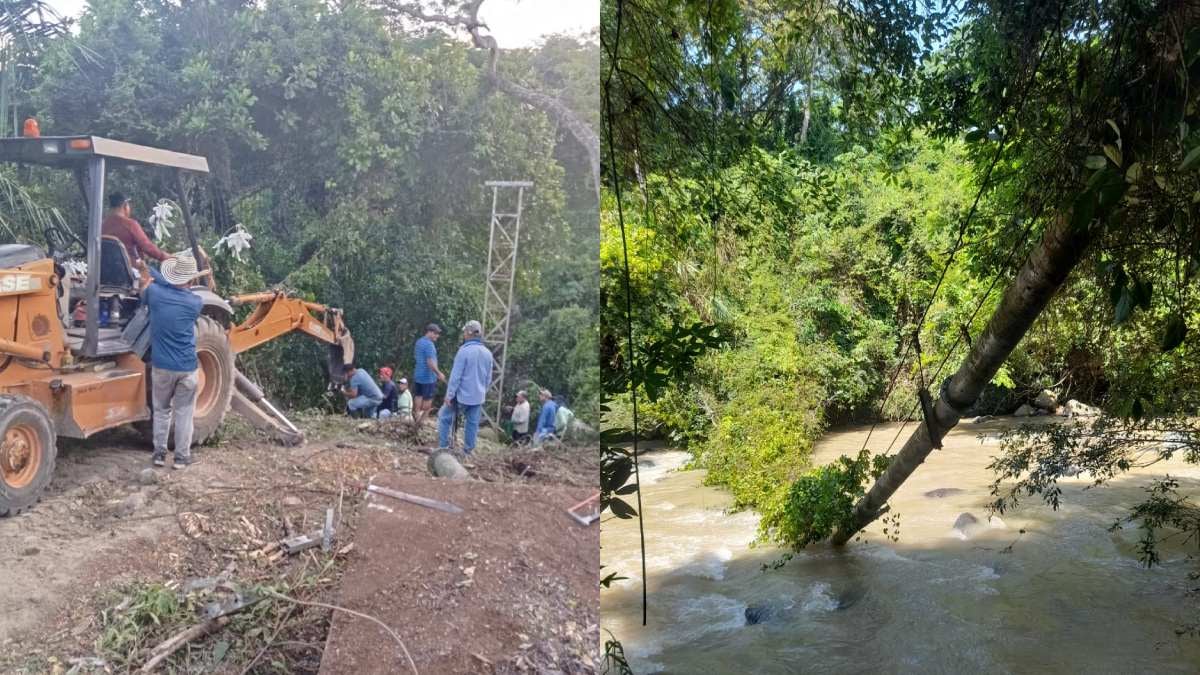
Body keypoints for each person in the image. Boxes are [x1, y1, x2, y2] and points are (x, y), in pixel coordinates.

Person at [136, 252, 203, 469]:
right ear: (191, 280)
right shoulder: (195, 302)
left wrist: (146, 271)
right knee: (184, 413)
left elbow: (146, 289)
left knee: (162, 410)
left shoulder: (154, 294)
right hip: (187, 368)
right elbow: (176, 287)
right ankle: (181, 458)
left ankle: (159, 454)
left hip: (162, 367)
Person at [437, 320, 493, 454]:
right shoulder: (487, 353)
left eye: (464, 332)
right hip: (478, 396)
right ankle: (468, 451)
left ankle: (444, 447)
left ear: (469, 333)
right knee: (472, 424)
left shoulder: (464, 351)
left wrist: (449, 395)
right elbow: (488, 378)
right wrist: (482, 391)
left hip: (461, 396)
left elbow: (456, 377)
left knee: (444, 417)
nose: (463, 335)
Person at [103, 192, 169, 263]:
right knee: (159, 274)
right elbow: (147, 247)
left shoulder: (102, 225)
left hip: (106, 269)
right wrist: (164, 256)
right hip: (130, 269)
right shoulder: (130, 224)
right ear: (125, 206)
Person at [412, 323, 445, 426]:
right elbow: (430, 362)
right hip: (428, 377)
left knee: (418, 396)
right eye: (435, 333)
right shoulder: (429, 345)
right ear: (429, 332)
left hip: (418, 375)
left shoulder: (419, 342)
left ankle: (416, 416)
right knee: (428, 399)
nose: (437, 336)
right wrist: (439, 373)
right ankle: (422, 421)